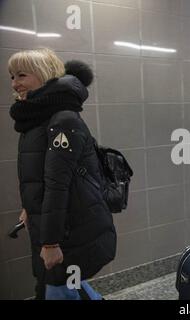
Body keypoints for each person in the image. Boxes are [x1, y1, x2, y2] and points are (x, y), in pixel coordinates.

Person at [8, 48, 117, 300]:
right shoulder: (36, 119)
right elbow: (40, 179)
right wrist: (29, 208)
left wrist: (51, 244)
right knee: (64, 286)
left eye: (21, 75)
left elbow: (58, 186)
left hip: (69, 230)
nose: (15, 84)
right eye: (12, 76)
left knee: (58, 286)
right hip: (57, 225)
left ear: (44, 75)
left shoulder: (62, 121)